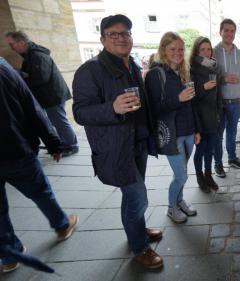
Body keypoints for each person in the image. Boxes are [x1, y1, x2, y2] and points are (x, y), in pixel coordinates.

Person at [72, 14, 163, 269]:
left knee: (131, 194)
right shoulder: (90, 70)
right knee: (138, 196)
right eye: (114, 34)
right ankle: (139, 247)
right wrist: (112, 107)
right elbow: (80, 113)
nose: (121, 38)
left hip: (139, 141)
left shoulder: (131, 65)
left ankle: (138, 229)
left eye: (126, 33)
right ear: (102, 39)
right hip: (116, 146)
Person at [0, 64, 78, 273]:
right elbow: (32, 108)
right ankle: (61, 225)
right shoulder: (4, 70)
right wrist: (53, 142)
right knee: (41, 192)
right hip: (14, 149)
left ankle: (9, 256)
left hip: (14, 148)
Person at [145, 32, 199, 223]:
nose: (178, 53)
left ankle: (179, 201)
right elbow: (154, 108)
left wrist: (197, 130)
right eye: (172, 49)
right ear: (163, 50)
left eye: (181, 49)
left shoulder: (184, 70)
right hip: (172, 134)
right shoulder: (155, 74)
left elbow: (192, 105)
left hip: (189, 131)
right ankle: (171, 208)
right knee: (181, 175)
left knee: (183, 172)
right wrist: (178, 98)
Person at [5, 31, 79, 157]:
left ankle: (71, 145)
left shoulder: (37, 55)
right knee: (56, 121)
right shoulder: (31, 55)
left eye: (12, 44)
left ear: (22, 42)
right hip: (49, 95)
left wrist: (22, 75)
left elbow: (41, 78)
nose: (11, 48)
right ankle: (64, 142)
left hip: (52, 96)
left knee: (59, 121)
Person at [213, 18, 240, 177]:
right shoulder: (213, 52)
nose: (229, 34)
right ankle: (218, 164)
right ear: (220, 32)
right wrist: (223, 79)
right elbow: (208, 77)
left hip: (235, 102)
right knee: (218, 134)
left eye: (232, 31)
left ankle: (232, 158)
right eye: (226, 30)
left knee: (232, 132)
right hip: (219, 102)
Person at [189, 36, 222, 193]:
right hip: (200, 117)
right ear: (196, 51)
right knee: (200, 151)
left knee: (210, 150)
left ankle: (208, 175)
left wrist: (220, 112)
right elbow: (191, 97)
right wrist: (203, 87)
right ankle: (199, 176)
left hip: (213, 116)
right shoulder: (192, 70)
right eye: (202, 49)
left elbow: (217, 94)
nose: (206, 52)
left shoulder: (213, 67)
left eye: (208, 49)